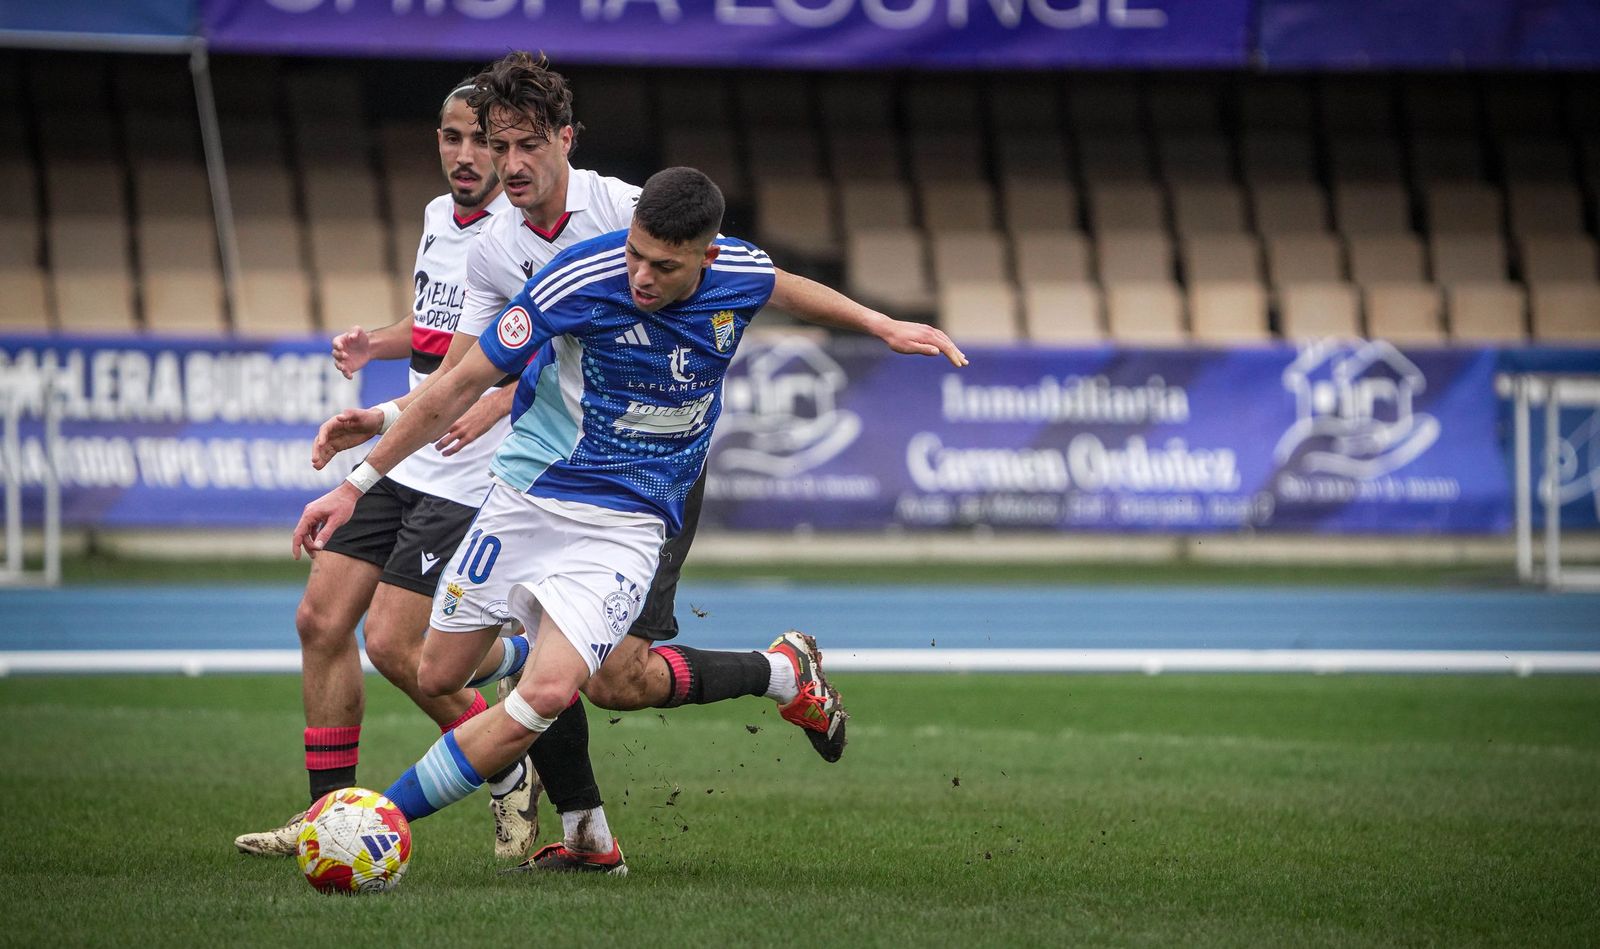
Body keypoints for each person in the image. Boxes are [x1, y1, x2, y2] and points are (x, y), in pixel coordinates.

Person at [310, 52, 966, 874]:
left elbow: (782, 282)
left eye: (525, 145)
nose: (641, 275)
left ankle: (386, 818)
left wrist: (886, 326)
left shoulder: (644, 219)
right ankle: (757, 676)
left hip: (639, 501)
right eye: (493, 144)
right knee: (443, 666)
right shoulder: (558, 272)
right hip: (536, 477)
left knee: (582, 683)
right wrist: (363, 469)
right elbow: (458, 381)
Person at [234, 79, 544, 861]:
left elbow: (545, 345)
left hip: (472, 470)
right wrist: (377, 344)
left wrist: (497, 403)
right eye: (451, 137)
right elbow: (438, 331)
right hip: (408, 449)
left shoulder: (519, 231)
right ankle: (326, 821)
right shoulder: (441, 219)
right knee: (320, 620)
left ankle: (510, 768)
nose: (466, 155)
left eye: (482, 139)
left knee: (403, 652)